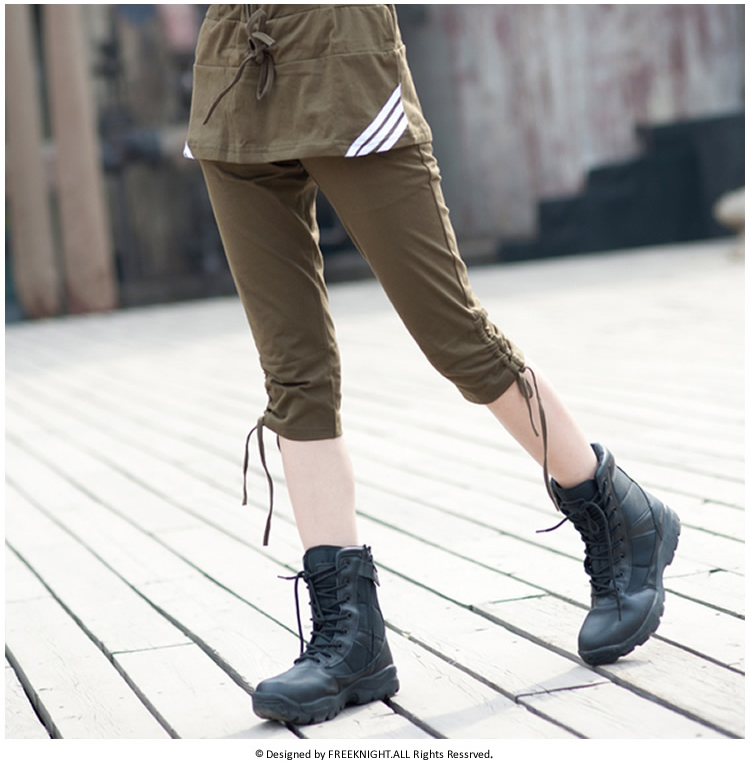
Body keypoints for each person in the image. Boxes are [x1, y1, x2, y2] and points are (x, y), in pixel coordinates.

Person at [184, 4, 681, 726]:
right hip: (232, 69)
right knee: (293, 378)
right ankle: (350, 638)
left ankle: (616, 512)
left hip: (340, 55)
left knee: (455, 334)